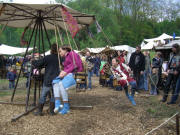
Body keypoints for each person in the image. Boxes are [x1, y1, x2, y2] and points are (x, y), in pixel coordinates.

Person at [53, 45, 83, 115]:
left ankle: (66, 107)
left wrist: (66, 72)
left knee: (61, 84)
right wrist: (62, 72)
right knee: (55, 82)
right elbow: (68, 67)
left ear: (65, 50)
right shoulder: (65, 57)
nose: (59, 53)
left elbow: (77, 64)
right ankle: (57, 104)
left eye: (60, 51)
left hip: (74, 75)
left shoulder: (72, 54)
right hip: (68, 74)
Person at [32, 43, 60, 116]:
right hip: (56, 79)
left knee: (43, 95)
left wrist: (33, 61)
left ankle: (39, 111)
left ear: (51, 49)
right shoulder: (60, 58)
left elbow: (38, 64)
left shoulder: (48, 57)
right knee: (54, 96)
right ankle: (51, 111)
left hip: (48, 79)